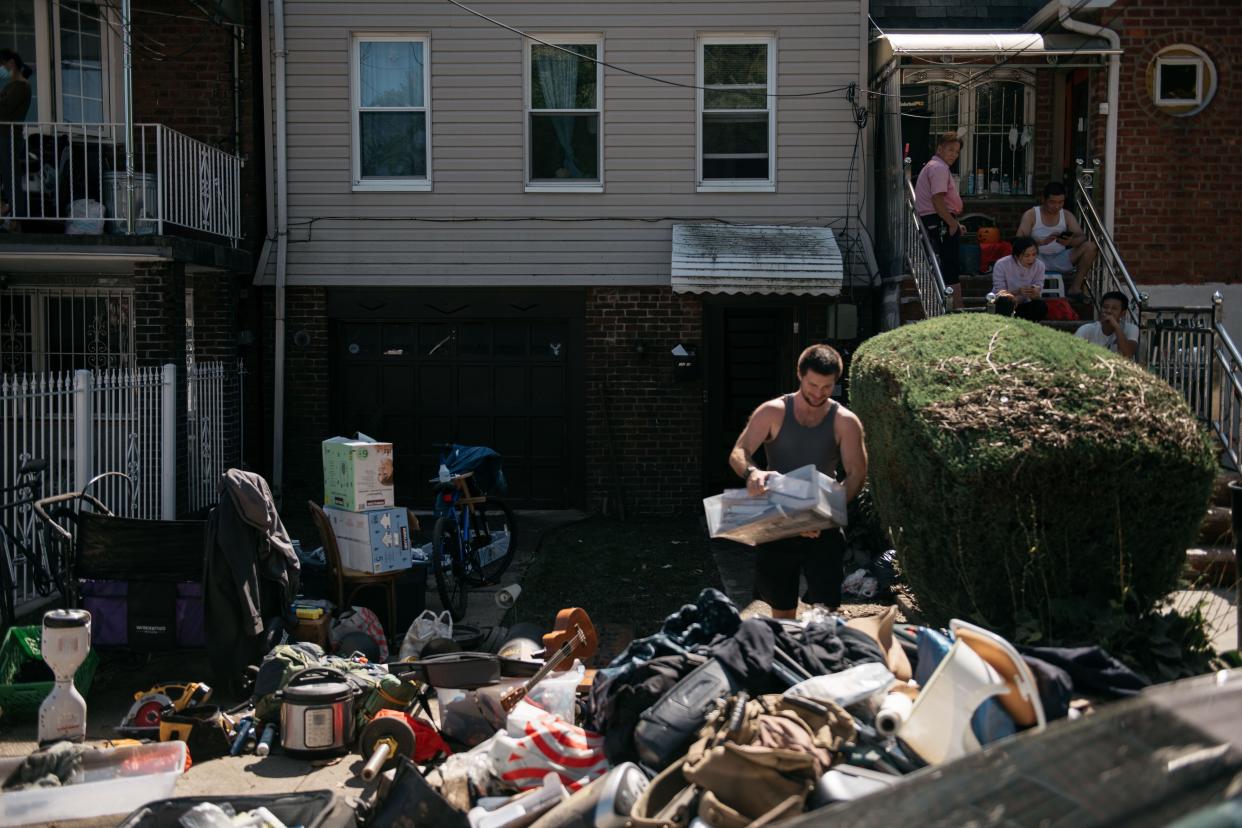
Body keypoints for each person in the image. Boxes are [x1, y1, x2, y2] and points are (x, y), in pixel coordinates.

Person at [728, 344, 868, 619]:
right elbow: (738, 453)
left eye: (827, 387)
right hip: (777, 520)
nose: (818, 393)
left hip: (822, 522)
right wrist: (752, 473)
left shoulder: (845, 421)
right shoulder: (772, 411)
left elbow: (856, 474)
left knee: (824, 612)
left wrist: (821, 516)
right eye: (813, 384)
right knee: (780, 611)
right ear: (800, 375)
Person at [1017, 181, 1099, 303]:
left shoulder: (1066, 215)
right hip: (1036, 258)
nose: (1056, 206)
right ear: (1044, 200)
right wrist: (1039, 242)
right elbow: (1019, 239)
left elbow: (1082, 237)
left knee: (1091, 247)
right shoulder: (1032, 214)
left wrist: (1070, 242)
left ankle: (1075, 288)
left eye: (1061, 202)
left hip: (1060, 257)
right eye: (1052, 202)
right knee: (1023, 253)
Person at [914, 131, 965, 310]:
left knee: (948, 264)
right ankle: (956, 309)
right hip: (939, 220)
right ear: (939, 148)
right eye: (950, 150)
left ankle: (952, 306)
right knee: (951, 266)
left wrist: (955, 222)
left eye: (957, 152)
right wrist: (952, 223)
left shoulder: (934, 166)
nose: (954, 155)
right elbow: (937, 199)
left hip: (938, 219)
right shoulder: (939, 168)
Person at [0, 49, 31, 224]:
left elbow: (4, 110)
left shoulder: (20, 86)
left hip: (8, 136)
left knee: (11, 177)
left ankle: (17, 219)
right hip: (4, 136)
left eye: (1, 65)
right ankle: (5, 209)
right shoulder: (11, 85)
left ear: (11, 63)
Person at [991, 236, 1048, 321]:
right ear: (1016, 256)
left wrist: (1034, 292)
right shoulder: (1002, 264)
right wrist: (1018, 291)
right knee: (1005, 302)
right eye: (1027, 255)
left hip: (1024, 304)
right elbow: (1000, 292)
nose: (1031, 259)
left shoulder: (1039, 266)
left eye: (1034, 254)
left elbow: (1038, 287)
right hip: (1003, 304)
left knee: (1040, 306)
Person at [1075, 291, 1138, 358]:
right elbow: (1072, 351)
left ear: (1123, 313)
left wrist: (1116, 326)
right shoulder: (1086, 329)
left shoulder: (1131, 328)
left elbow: (1128, 354)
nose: (1108, 311)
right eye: (1105, 307)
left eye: (1114, 308)